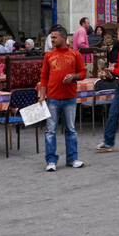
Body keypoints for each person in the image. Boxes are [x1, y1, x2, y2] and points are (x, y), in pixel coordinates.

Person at [37, 26, 86, 172]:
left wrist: (74, 77)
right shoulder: (48, 56)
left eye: (54, 37)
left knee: (71, 129)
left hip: (70, 97)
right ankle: (51, 160)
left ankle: (72, 159)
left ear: (64, 38)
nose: (52, 40)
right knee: (50, 131)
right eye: (51, 37)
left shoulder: (75, 54)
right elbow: (43, 77)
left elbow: (83, 73)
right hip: (52, 97)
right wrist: (42, 95)